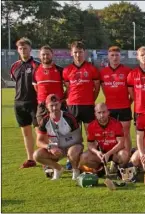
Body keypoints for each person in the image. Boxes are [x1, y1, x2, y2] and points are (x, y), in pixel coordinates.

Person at [33, 94, 83, 180]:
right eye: (51, 106)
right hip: (55, 149)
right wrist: (49, 147)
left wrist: (65, 146)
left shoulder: (69, 118)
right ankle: (58, 169)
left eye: (56, 105)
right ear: (47, 106)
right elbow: (39, 141)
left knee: (73, 151)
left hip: (70, 146)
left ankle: (75, 170)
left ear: (60, 104)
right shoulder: (44, 121)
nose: (54, 108)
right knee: (37, 155)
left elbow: (79, 138)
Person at [11, 37, 41, 168]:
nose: (23, 50)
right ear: (18, 50)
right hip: (19, 102)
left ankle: (46, 160)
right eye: (20, 48)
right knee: (26, 132)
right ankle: (30, 159)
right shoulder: (15, 66)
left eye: (25, 48)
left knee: (40, 132)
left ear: (30, 49)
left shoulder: (37, 65)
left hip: (34, 102)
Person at [79, 103, 129, 174]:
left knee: (124, 155)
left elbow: (121, 144)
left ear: (108, 112)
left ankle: (119, 169)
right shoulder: (91, 126)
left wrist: (108, 154)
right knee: (84, 158)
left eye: (104, 112)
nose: (102, 115)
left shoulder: (116, 124)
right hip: (101, 154)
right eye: (99, 113)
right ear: (95, 114)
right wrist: (97, 152)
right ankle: (100, 168)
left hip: (114, 152)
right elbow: (90, 144)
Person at [100, 46, 133, 153]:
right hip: (109, 108)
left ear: (121, 56)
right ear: (108, 57)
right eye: (112, 55)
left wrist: (128, 102)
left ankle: (127, 158)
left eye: (117, 55)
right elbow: (104, 89)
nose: (115, 58)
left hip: (124, 107)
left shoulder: (128, 71)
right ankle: (114, 158)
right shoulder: (103, 72)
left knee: (125, 133)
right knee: (111, 135)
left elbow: (131, 92)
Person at [63, 41, 100, 130]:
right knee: (75, 135)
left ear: (84, 52)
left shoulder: (92, 69)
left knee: (91, 134)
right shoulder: (67, 70)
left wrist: (91, 99)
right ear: (71, 53)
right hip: (73, 105)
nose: (78, 55)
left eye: (80, 52)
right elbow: (68, 89)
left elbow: (97, 88)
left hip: (88, 105)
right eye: (75, 52)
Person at [33, 46, 66, 129]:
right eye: (43, 54)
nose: (45, 56)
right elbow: (36, 88)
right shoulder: (35, 71)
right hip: (42, 106)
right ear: (39, 56)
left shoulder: (60, 70)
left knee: (61, 132)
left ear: (52, 55)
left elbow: (68, 88)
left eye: (47, 54)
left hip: (58, 105)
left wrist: (62, 99)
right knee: (42, 133)